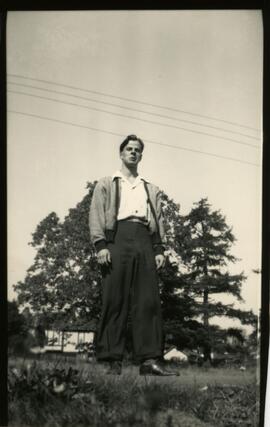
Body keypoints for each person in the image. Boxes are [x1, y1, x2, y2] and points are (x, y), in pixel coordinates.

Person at [89, 134, 176, 375]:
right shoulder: (107, 183)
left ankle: (149, 360)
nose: (133, 152)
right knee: (114, 298)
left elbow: (158, 220)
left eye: (137, 149)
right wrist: (100, 245)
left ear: (141, 155)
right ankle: (110, 359)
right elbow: (96, 214)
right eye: (129, 148)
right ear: (121, 153)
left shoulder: (150, 188)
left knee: (148, 300)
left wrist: (159, 249)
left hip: (144, 240)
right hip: (116, 238)